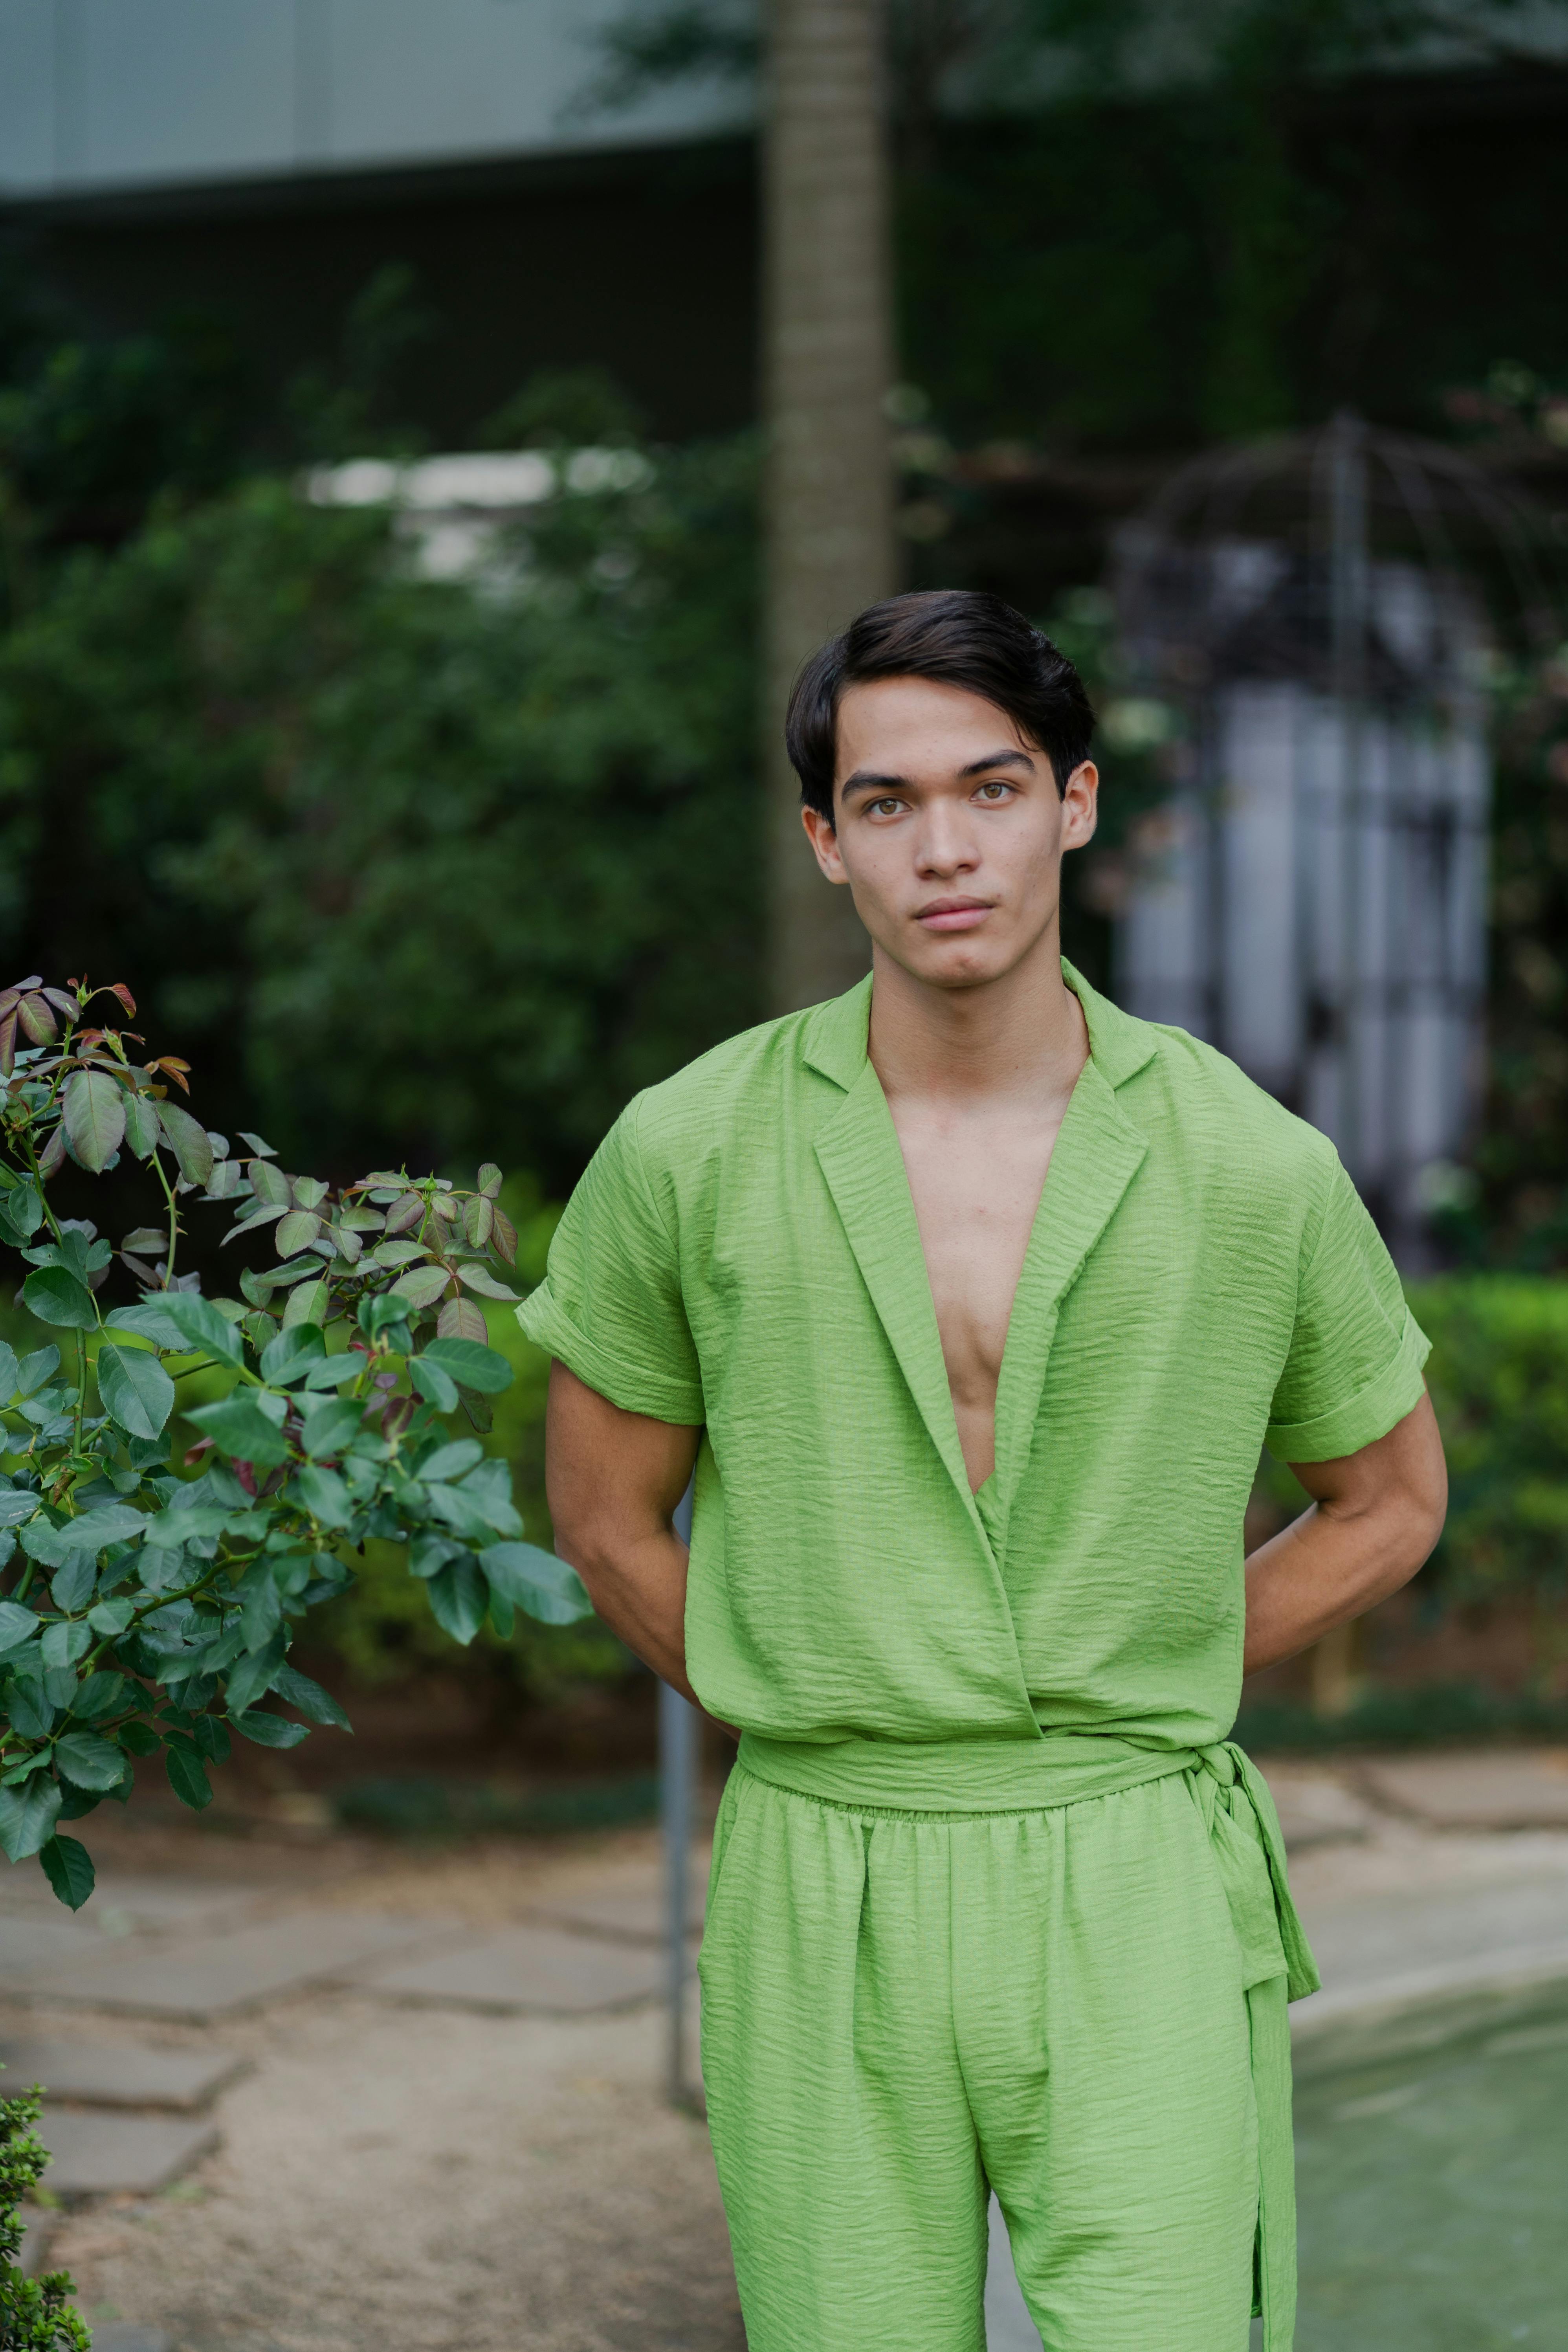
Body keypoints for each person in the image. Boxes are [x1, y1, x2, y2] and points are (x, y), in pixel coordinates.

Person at [519, 589, 1447, 2352]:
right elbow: (600, 1516)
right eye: (886, 803)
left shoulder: (1251, 1164)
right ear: (825, 841)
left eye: (991, 788)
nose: (944, 847)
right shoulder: (688, 1148)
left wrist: (1133, 1667)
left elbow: (1388, 1496)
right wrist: (805, 1688)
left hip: (1134, 1866)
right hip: (823, 1860)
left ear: (1073, 806)